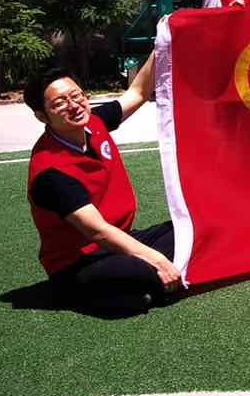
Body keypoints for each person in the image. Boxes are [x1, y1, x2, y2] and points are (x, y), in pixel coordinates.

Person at [24, 54, 180, 317]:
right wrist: (156, 259)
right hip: (79, 262)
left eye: (77, 96)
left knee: (188, 230)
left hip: (120, 240)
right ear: (42, 116)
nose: (73, 105)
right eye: (59, 103)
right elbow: (98, 233)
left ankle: (144, 287)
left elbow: (138, 92)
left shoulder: (94, 122)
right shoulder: (50, 172)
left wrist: (162, 45)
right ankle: (93, 293)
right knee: (147, 270)